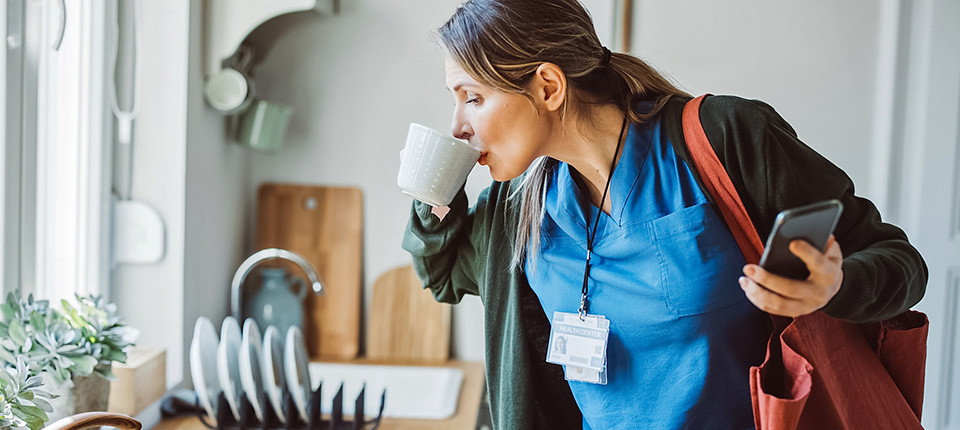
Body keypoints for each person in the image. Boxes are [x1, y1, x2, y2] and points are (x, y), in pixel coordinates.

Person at [401, 0, 928, 429]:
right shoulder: (522, 203)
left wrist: (834, 287)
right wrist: (434, 188)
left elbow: (900, 263)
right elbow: (443, 275)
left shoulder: (725, 139)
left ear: (547, 86)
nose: (458, 127)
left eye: (472, 98)